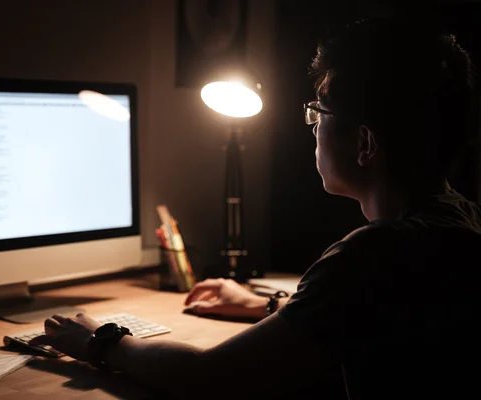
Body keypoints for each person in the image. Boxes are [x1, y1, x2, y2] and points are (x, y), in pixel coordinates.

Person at [30, 17, 480, 399]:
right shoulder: (459, 220)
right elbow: (365, 318)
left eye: (318, 112)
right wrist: (269, 308)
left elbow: (208, 377)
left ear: (364, 143)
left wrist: (99, 341)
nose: (312, 127)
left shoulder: (374, 254)